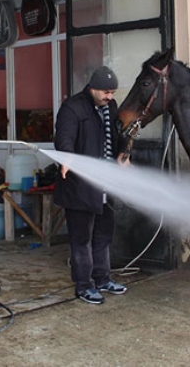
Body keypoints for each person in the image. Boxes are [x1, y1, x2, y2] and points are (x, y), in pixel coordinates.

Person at [53, 65, 130, 305]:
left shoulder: (111, 107)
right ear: (93, 88)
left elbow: (118, 135)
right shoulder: (73, 108)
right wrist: (67, 158)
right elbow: (63, 137)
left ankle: (103, 279)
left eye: (112, 92)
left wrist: (122, 153)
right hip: (80, 187)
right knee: (81, 239)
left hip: (105, 185)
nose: (110, 97)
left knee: (103, 236)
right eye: (106, 92)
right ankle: (84, 286)